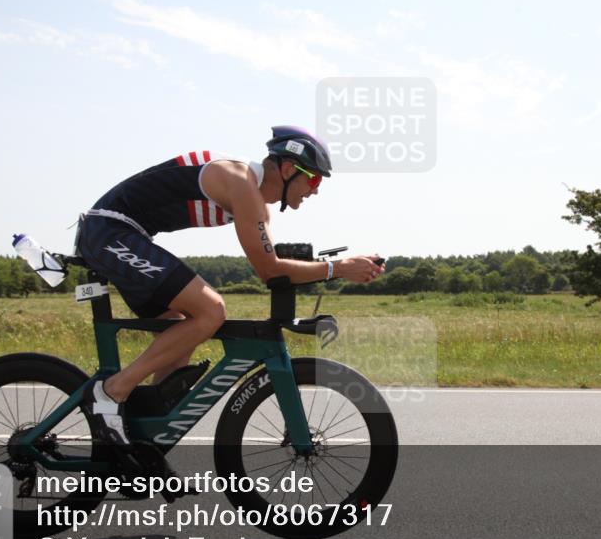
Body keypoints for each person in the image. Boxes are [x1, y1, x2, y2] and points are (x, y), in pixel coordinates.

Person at [76, 126, 386, 450]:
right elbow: (269, 270)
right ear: (289, 169)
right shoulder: (240, 182)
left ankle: (139, 444)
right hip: (108, 230)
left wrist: (336, 267)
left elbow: (274, 265)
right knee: (211, 311)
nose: (316, 191)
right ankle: (110, 393)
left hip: (125, 235)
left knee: (180, 334)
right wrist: (339, 269)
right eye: (314, 180)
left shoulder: (256, 202)